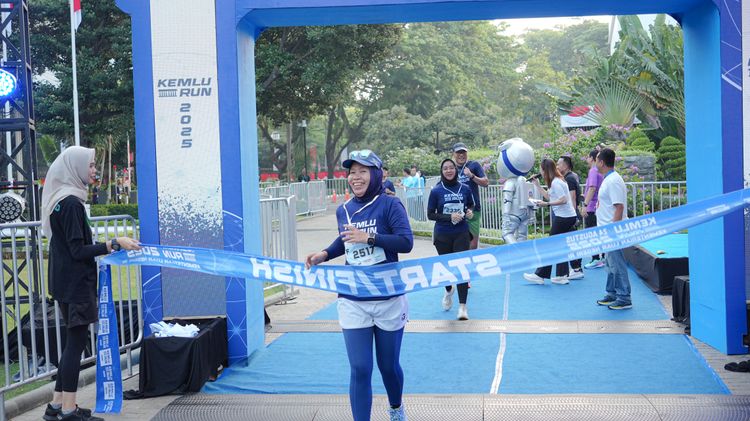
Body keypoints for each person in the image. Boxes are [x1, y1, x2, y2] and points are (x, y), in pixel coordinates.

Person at [305, 150, 413, 421]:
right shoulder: (343, 209)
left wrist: (370, 238)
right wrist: (324, 254)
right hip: (353, 297)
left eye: (363, 171)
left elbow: (406, 242)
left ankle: (396, 408)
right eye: (352, 172)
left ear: (375, 174)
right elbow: (346, 240)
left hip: (388, 298)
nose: (356, 177)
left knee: (388, 366)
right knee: (360, 368)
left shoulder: (390, 205)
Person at [41, 146, 141, 421]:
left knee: (72, 344)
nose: (95, 170)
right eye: (91, 165)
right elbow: (78, 250)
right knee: (75, 345)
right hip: (75, 284)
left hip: (64, 282)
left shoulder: (61, 200)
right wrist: (113, 243)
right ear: (75, 167)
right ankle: (68, 410)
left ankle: (57, 406)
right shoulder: (71, 204)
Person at [427, 159, 475, 320]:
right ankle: (448, 290)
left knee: (461, 268)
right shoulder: (436, 191)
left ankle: (462, 307)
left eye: (451, 168)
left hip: (461, 233)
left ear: (456, 170)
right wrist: (449, 217)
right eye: (445, 168)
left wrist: (469, 212)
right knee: (446, 269)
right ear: (442, 172)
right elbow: (430, 214)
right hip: (442, 234)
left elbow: (471, 205)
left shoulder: (465, 188)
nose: (448, 171)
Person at [523, 158, 578, 285]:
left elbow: (563, 200)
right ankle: (561, 275)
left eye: (541, 169)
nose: (540, 172)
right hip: (567, 217)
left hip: (564, 218)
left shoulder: (556, 183)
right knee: (559, 245)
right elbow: (549, 196)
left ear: (545, 170)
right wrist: (537, 186)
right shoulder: (556, 181)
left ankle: (540, 275)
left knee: (550, 245)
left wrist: (546, 204)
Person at [594, 148, 632, 310]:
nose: (595, 163)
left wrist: (613, 230)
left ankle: (624, 297)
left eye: (596, 160)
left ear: (602, 162)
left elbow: (619, 207)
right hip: (606, 230)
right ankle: (612, 293)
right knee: (610, 264)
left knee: (617, 264)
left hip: (612, 231)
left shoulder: (613, 180)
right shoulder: (608, 179)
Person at [496, 138, 535, 244]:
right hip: (525, 213)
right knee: (522, 235)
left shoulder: (510, 182)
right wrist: (532, 214)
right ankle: (523, 252)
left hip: (513, 213)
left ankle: (516, 251)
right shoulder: (525, 180)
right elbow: (530, 198)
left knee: (506, 234)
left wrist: (505, 215)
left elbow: (507, 200)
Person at [452, 142, 489, 250]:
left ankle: (471, 260)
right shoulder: (451, 168)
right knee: (456, 242)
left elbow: (486, 183)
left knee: (472, 244)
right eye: (458, 152)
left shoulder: (474, 165)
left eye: (463, 152)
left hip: (473, 210)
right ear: (453, 154)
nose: (461, 155)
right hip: (456, 211)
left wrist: (471, 176)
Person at [556, 155, 584, 279]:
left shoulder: (570, 179)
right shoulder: (572, 176)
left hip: (571, 214)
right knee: (571, 241)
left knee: (570, 242)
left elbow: (572, 198)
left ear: (566, 165)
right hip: (572, 214)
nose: (557, 166)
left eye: (559, 164)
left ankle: (577, 269)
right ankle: (576, 268)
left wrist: (572, 216)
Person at [582, 150, 605, 268]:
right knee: (599, 233)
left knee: (591, 234)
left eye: (588, 157)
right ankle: (603, 257)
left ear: (591, 158)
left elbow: (592, 188)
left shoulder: (593, 171)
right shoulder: (600, 172)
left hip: (592, 207)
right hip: (598, 206)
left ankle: (595, 259)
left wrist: (585, 205)